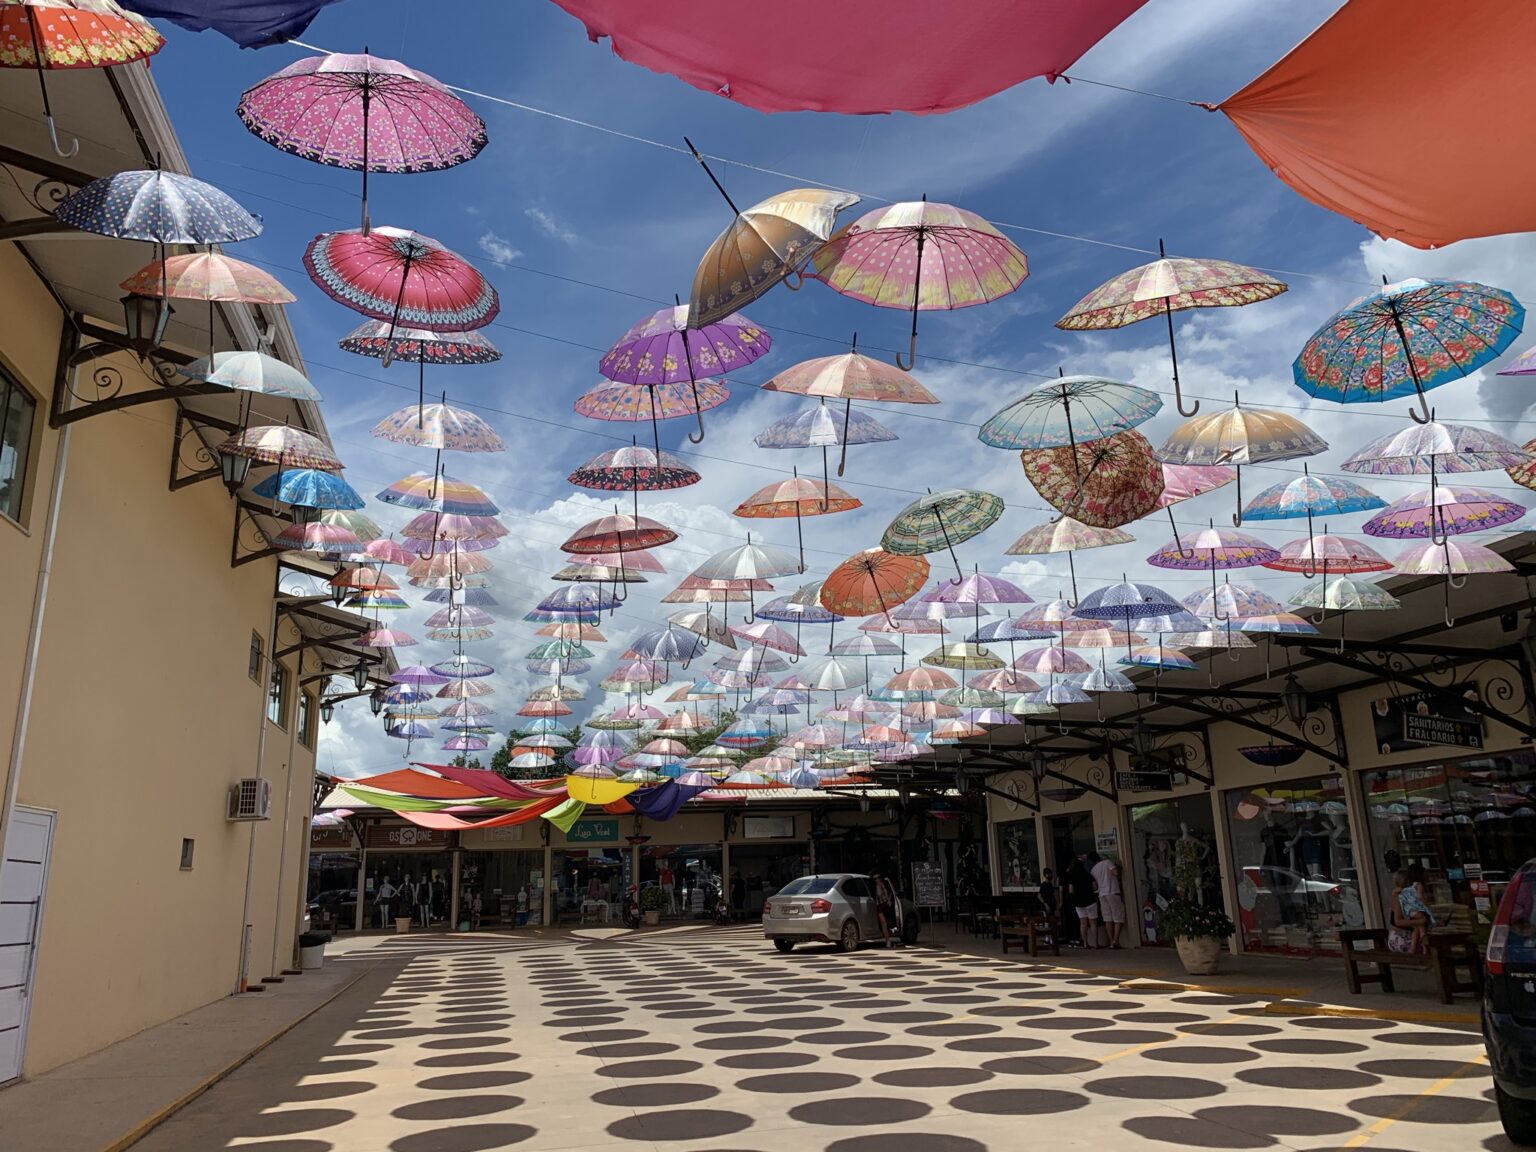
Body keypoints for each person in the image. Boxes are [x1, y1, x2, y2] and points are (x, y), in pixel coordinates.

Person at [1397, 863, 1437, 953]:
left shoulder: (1406, 887)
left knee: (1416, 930)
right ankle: (1425, 948)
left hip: (1410, 911)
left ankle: (1413, 948)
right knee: (1423, 930)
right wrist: (1427, 904)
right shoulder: (1418, 885)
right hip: (1418, 910)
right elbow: (1420, 897)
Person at [1091, 853, 1126, 949]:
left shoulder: (1093, 870)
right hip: (1112, 891)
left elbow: (1095, 885)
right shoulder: (1107, 862)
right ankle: (1116, 940)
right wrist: (1118, 868)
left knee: (1107, 918)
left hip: (1102, 894)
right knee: (1118, 917)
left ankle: (1111, 941)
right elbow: (1116, 873)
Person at [1065, 856, 1099, 948]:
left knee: (1083, 922)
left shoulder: (1072, 876)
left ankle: (1085, 943)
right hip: (1090, 899)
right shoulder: (1088, 875)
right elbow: (1095, 887)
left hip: (1078, 902)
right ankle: (1095, 943)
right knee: (1093, 922)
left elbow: (1071, 890)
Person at [871, 868, 901, 948]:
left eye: (878, 877)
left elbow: (890, 892)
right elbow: (877, 895)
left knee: (889, 922)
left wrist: (889, 900)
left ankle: (890, 936)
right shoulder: (874, 887)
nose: (877, 879)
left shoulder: (885, 884)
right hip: (879, 906)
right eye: (875, 878)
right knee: (883, 922)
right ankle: (887, 940)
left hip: (887, 905)